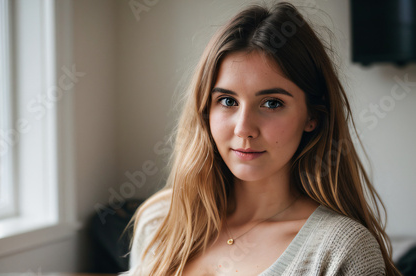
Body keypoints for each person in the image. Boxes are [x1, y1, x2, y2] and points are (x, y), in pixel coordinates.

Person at [120, 2, 401, 275]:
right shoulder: (161, 219)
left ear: (312, 117)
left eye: (272, 103)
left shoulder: (342, 250)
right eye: (228, 100)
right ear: (205, 109)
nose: (244, 128)